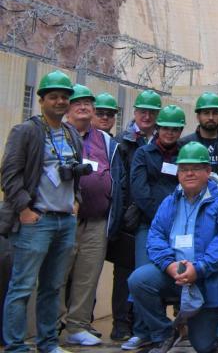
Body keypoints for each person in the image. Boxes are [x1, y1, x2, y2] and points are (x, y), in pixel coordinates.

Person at [127, 141, 218, 353]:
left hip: (206, 277)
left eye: (196, 169)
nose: (189, 173)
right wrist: (169, 265)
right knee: (139, 280)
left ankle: (211, 325)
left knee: (204, 346)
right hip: (175, 272)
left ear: (208, 171)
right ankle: (165, 333)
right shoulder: (170, 201)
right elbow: (155, 236)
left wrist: (198, 269)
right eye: (184, 169)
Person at [1, 71, 82, 353]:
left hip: (64, 221)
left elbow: (76, 173)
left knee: (52, 287)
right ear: (41, 100)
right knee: (22, 287)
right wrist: (24, 209)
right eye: (54, 97)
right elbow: (9, 175)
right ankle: (15, 346)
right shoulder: (26, 131)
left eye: (64, 97)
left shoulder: (71, 133)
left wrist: (76, 201)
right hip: (36, 220)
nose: (60, 101)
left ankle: (48, 343)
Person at [61, 85, 126, 346]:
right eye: (78, 102)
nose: (84, 107)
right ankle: (51, 325)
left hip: (97, 220)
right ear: (67, 107)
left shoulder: (106, 141)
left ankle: (78, 325)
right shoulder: (58, 135)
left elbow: (116, 178)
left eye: (88, 103)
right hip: (63, 220)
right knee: (56, 275)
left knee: (87, 277)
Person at [125, 104, 185, 350]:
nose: (170, 133)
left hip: (181, 228)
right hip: (149, 225)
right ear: (158, 129)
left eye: (175, 129)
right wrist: (161, 219)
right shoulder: (144, 154)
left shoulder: (186, 153)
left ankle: (175, 327)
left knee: (176, 276)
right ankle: (143, 331)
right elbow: (140, 190)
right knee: (143, 276)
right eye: (166, 128)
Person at [178, 92, 218, 335]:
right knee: (184, 256)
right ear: (198, 115)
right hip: (192, 209)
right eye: (205, 112)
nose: (210, 117)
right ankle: (182, 315)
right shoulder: (186, 143)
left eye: (214, 112)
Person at [109, 89, 162, 343]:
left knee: (150, 272)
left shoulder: (165, 143)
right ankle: (122, 323)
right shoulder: (123, 142)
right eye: (143, 111)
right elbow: (119, 181)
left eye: (152, 112)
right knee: (124, 273)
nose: (147, 116)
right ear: (135, 113)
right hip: (128, 217)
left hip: (154, 217)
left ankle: (147, 324)